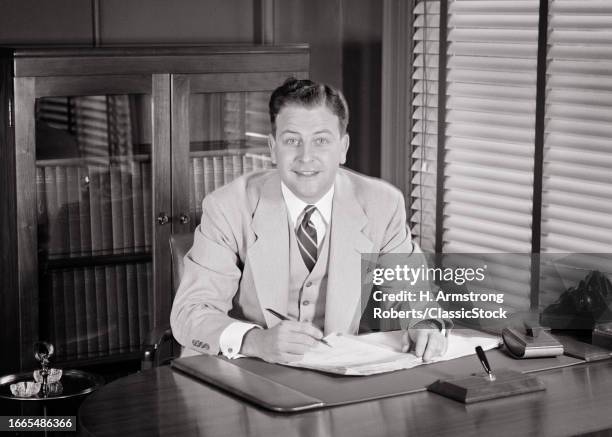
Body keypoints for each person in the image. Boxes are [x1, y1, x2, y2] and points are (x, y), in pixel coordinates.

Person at [170, 78, 447, 364]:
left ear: (343, 148)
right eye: (292, 141)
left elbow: (412, 292)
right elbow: (190, 312)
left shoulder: (383, 204)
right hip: (244, 367)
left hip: (338, 371)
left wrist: (424, 325)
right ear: (273, 148)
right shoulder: (227, 206)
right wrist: (255, 341)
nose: (306, 157)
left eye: (321, 141)